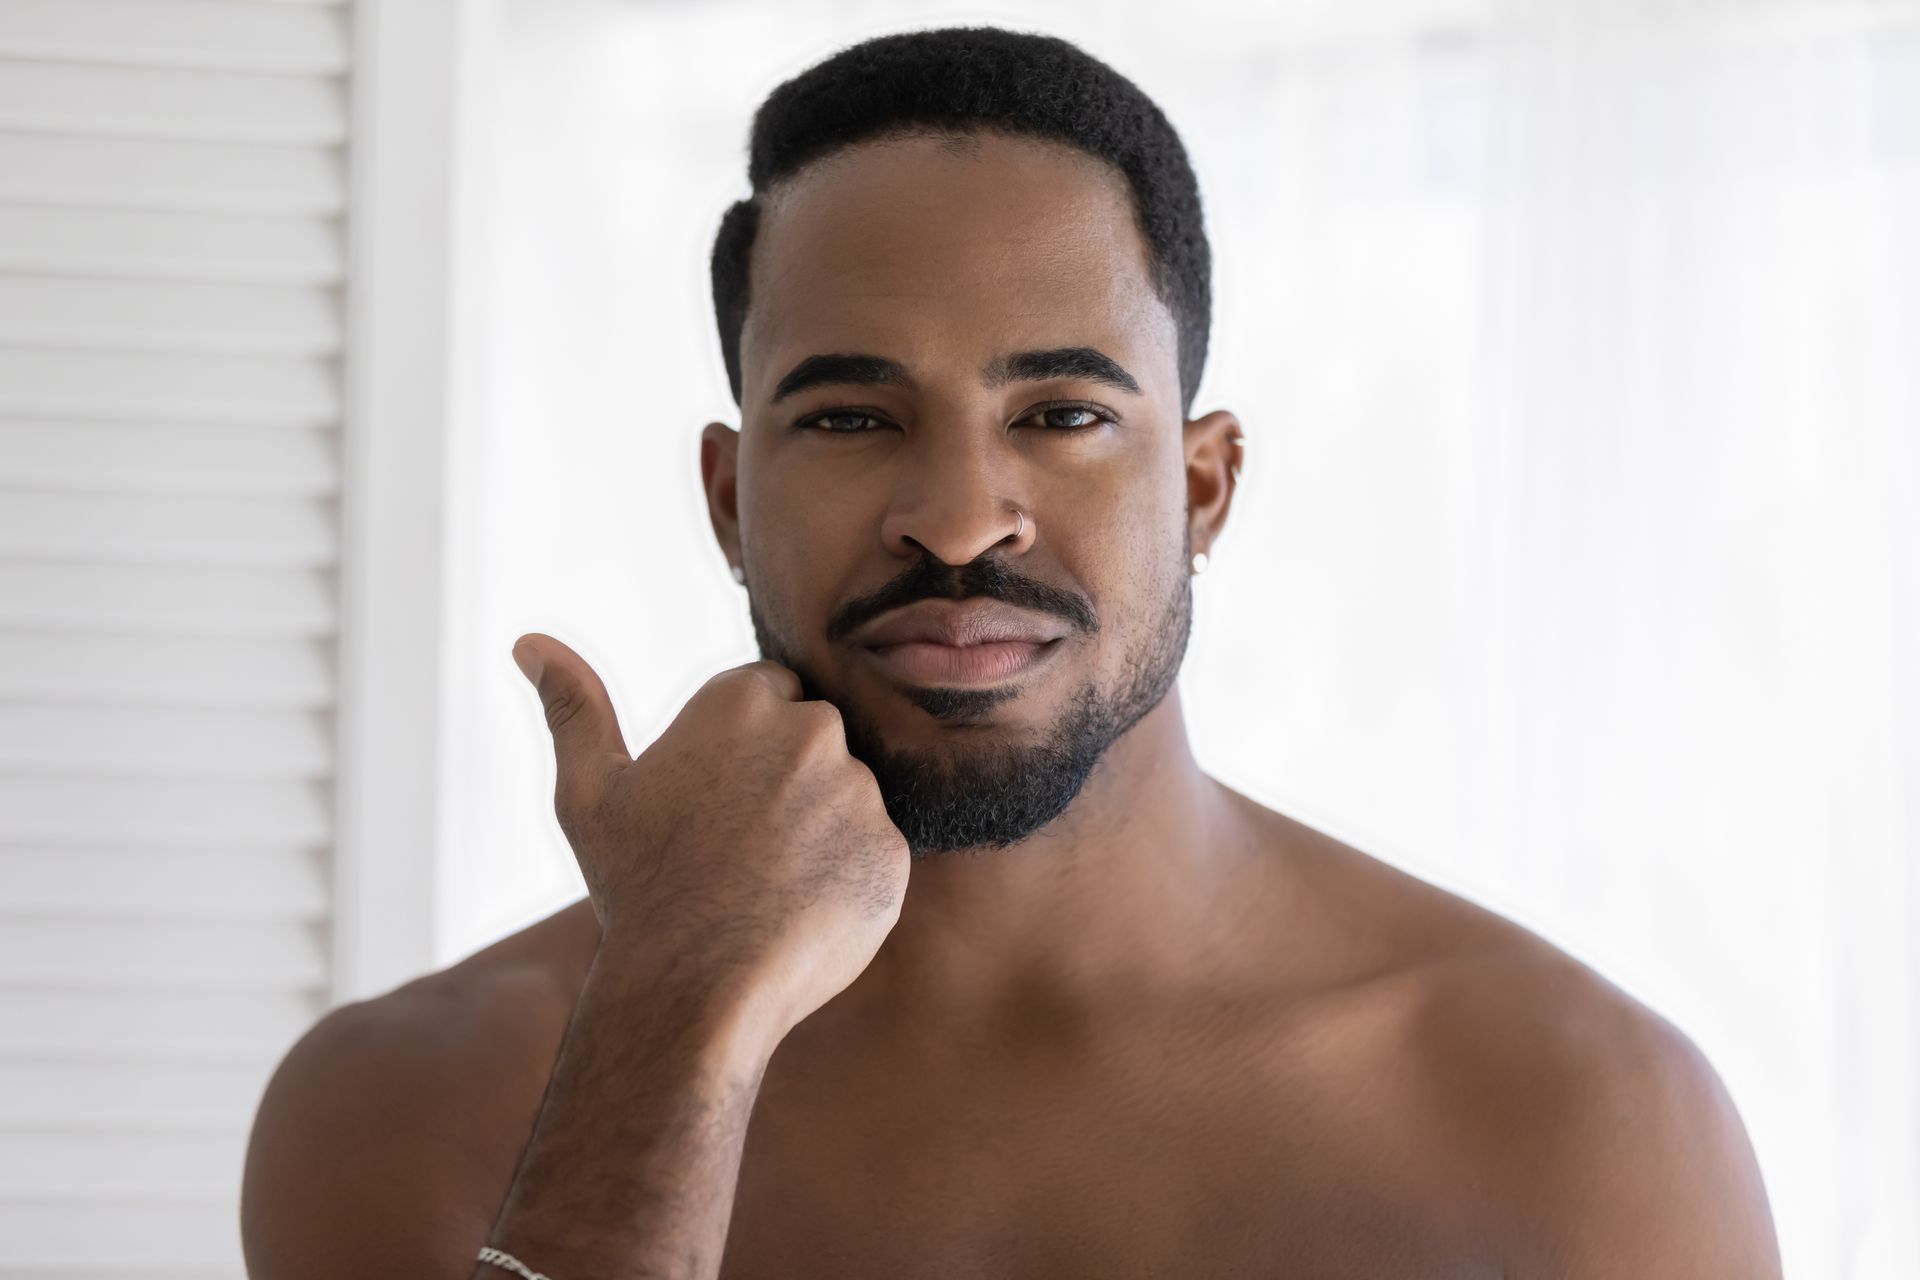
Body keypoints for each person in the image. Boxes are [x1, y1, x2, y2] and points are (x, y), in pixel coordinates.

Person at [240, 26, 1781, 1279]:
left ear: (1201, 484)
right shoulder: (413, 1111)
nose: (963, 520)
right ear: (729, 494)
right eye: (851, 416)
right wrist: (669, 1016)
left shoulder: (1578, 1117)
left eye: (1060, 415)